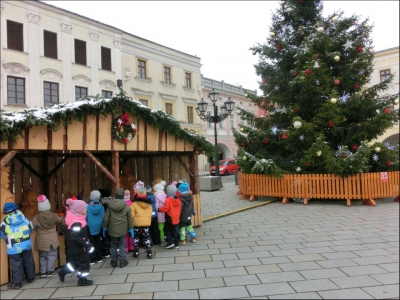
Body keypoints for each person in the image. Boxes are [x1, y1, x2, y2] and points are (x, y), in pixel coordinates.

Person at [57, 199, 94, 286]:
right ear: (79, 210)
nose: (86, 210)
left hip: (75, 248)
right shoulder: (76, 223)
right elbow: (75, 236)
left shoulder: (77, 218)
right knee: (84, 263)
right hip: (78, 248)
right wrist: (86, 244)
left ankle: (62, 272)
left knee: (76, 263)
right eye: (85, 208)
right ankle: (82, 280)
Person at [0, 202, 35, 289]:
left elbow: (1, 235)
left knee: (16, 263)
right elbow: (31, 227)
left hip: (13, 247)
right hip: (26, 243)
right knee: (28, 260)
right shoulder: (23, 217)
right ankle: (30, 278)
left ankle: (17, 283)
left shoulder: (4, 222)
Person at [32, 195, 63, 278]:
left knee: (43, 256)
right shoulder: (54, 215)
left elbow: (31, 226)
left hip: (41, 239)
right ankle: (50, 271)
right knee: (52, 255)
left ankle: (43, 272)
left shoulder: (37, 218)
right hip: (52, 238)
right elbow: (60, 221)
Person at [103, 188, 133, 268]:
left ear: (115, 195)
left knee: (113, 245)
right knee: (122, 244)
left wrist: (105, 227)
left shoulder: (110, 206)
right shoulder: (126, 206)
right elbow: (129, 219)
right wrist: (131, 228)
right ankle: (122, 261)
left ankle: (113, 261)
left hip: (112, 228)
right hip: (123, 228)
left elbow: (107, 218)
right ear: (123, 196)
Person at [130, 186, 153, 258]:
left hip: (136, 223)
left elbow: (131, 215)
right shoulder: (149, 204)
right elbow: (150, 214)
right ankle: (149, 252)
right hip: (146, 223)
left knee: (136, 237)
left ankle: (136, 252)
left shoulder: (134, 204)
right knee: (146, 237)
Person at [158, 184, 181, 249]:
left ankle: (170, 242)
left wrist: (159, 209)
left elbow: (166, 208)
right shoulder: (178, 199)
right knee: (174, 230)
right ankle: (176, 243)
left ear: (168, 191)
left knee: (166, 230)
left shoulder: (168, 199)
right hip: (176, 218)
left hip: (170, 217)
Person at [86, 190, 105, 265]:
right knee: (98, 242)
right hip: (99, 226)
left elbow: (86, 216)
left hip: (90, 227)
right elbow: (103, 216)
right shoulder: (101, 206)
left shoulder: (88, 207)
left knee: (91, 243)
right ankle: (99, 258)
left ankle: (92, 259)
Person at [98, 188, 112, 258]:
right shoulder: (113, 202)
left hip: (104, 223)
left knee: (105, 238)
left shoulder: (101, 204)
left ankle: (106, 252)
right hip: (113, 222)